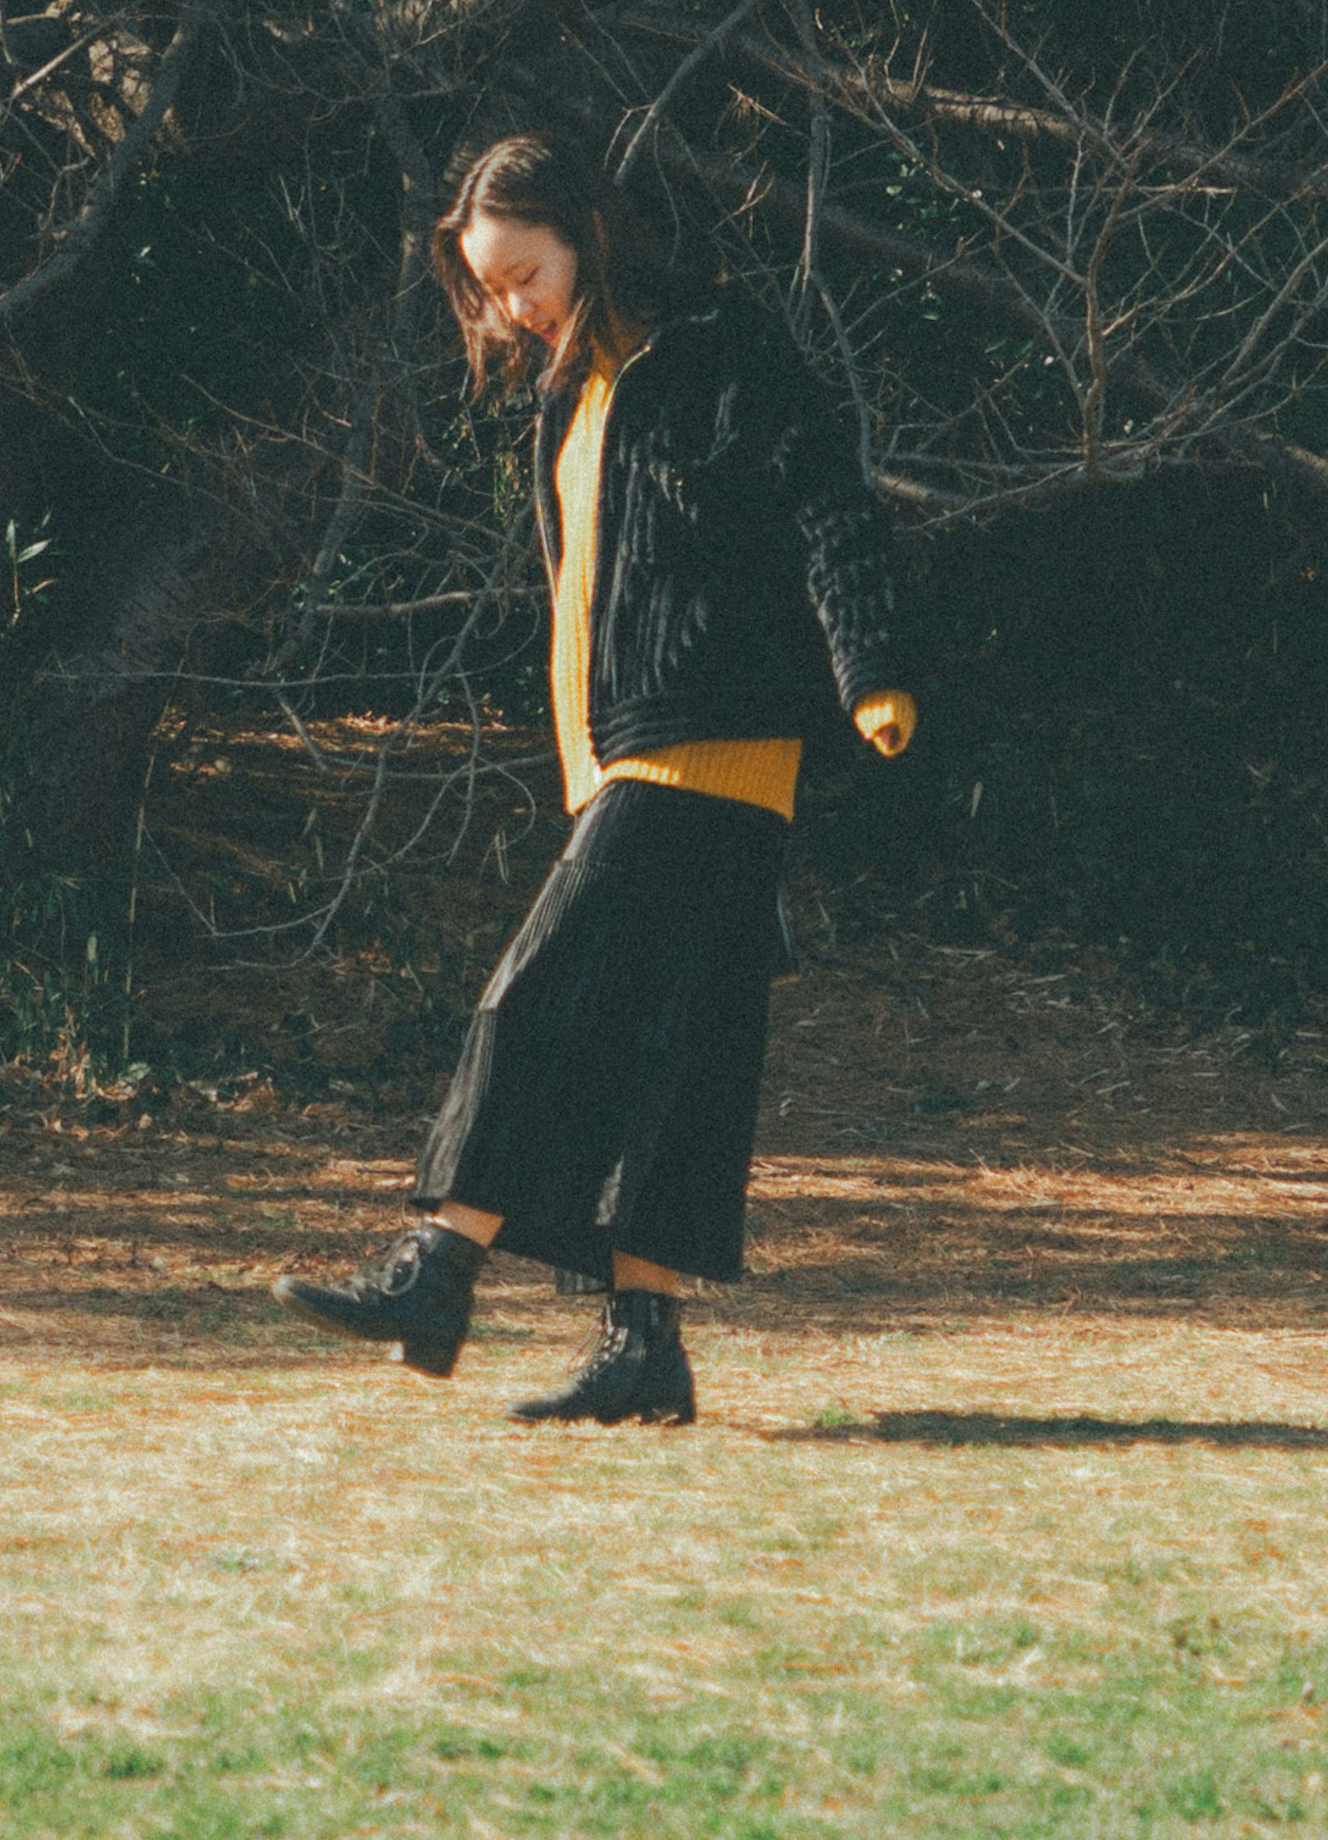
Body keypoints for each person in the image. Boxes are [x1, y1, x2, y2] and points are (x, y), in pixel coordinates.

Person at [279, 129, 918, 1426]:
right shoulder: (584, 385)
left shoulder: (716, 346)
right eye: (492, 286)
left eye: (527, 271)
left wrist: (873, 666)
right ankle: (644, 1344)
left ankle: (437, 1265)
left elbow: (829, 499)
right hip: (628, 751)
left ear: (590, 234)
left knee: (541, 994)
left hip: (707, 734)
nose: (514, 304)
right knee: (684, 1045)